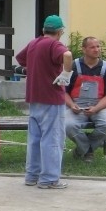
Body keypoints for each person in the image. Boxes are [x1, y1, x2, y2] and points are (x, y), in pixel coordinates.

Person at [14, 15, 74, 190]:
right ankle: (49, 179)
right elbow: (67, 55)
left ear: (43, 30)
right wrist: (66, 73)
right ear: (60, 32)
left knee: (35, 138)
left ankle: (32, 175)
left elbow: (20, 58)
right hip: (51, 98)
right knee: (52, 139)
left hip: (34, 97)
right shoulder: (54, 45)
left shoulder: (34, 43)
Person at [64, 36, 106, 161]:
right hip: (76, 105)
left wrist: (96, 108)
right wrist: (71, 105)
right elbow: (63, 92)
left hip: (100, 106)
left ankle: (81, 149)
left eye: (98, 46)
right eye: (92, 47)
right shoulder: (73, 66)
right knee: (67, 125)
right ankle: (88, 150)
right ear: (84, 49)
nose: (96, 49)